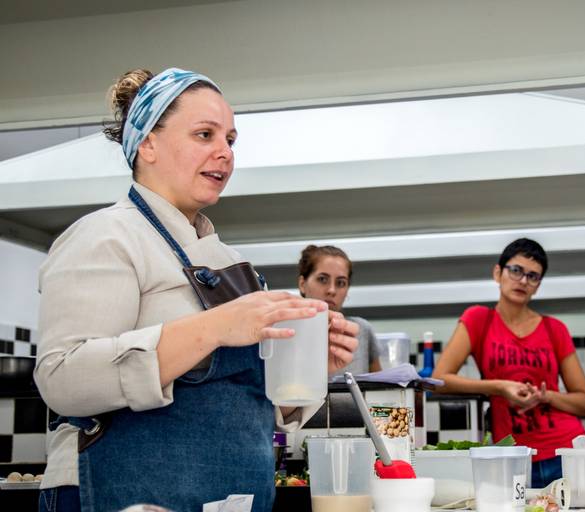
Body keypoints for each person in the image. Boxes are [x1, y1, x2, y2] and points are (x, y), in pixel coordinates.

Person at [33, 68, 359, 512]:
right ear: (147, 144)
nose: (224, 153)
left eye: (231, 140)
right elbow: (63, 379)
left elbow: (249, 404)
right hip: (124, 496)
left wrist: (307, 368)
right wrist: (213, 328)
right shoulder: (105, 236)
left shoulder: (229, 261)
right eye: (205, 134)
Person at [433, 238, 585, 488]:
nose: (523, 281)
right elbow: (439, 380)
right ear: (498, 273)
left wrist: (545, 396)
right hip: (512, 455)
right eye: (516, 270)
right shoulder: (478, 320)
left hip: (565, 450)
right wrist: (499, 387)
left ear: (538, 286)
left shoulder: (554, 329)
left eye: (533, 276)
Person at [297, 244, 382, 376]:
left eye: (341, 283)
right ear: (302, 284)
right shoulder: (283, 331)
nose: (331, 290)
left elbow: (380, 388)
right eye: (322, 279)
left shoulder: (362, 331)